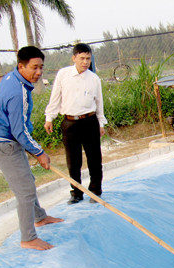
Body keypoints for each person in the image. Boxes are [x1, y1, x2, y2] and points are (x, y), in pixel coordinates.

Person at [0, 46, 63, 251]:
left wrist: (35, 150)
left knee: (28, 181)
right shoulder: (16, 91)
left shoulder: (13, 78)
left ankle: (40, 217)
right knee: (25, 191)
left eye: (41, 68)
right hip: (4, 145)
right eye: (34, 68)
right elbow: (19, 131)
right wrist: (39, 152)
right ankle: (28, 238)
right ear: (21, 66)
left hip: (8, 141)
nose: (38, 72)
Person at [44, 43, 107, 204]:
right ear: (74, 58)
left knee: (94, 158)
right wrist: (49, 118)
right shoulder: (63, 75)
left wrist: (101, 123)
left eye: (88, 59)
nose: (85, 62)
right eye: (82, 58)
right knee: (73, 161)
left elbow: (99, 102)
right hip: (70, 123)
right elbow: (55, 97)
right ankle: (76, 192)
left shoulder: (94, 79)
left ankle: (95, 191)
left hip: (90, 121)